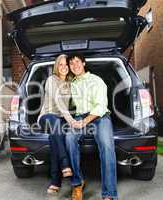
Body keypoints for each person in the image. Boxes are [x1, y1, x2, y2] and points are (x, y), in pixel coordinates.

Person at [65, 53, 118, 200]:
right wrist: (72, 120)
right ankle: (77, 183)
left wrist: (84, 121)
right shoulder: (72, 84)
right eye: (71, 63)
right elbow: (68, 106)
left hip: (100, 117)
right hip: (80, 116)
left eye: (77, 62)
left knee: (107, 146)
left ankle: (109, 194)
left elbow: (101, 106)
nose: (74, 65)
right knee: (69, 139)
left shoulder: (96, 80)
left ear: (83, 63)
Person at [38, 54, 76, 194]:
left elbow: (75, 102)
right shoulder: (51, 80)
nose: (64, 67)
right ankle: (65, 164)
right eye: (60, 64)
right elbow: (59, 102)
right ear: (56, 66)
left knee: (55, 138)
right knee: (55, 123)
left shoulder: (71, 82)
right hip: (46, 117)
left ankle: (55, 182)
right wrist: (70, 120)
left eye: (66, 64)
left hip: (60, 121)